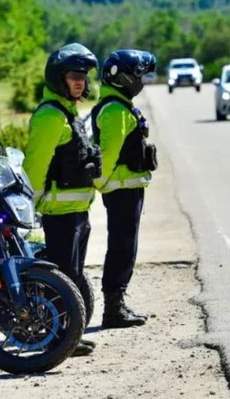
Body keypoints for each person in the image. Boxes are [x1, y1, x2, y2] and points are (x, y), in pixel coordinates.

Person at [23, 43, 101, 355]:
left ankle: (71, 333)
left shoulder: (69, 113)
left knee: (74, 274)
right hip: (59, 212)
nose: (80, 81)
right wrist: (29, 205)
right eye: (73, 76)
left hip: (78, 212)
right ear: (59, 78)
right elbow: (36, 165)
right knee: (62, 279)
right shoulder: (50, 117)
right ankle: (60, 340)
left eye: (83, 76)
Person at [91, 49, 157, 329]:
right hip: (120, 190)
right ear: (122, 78)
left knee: (125, 246)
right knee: (122, 247)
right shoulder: (116, 110)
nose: (139, 80)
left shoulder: (120, 105)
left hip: (126, 188)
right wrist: (102, 185)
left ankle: (117, 305)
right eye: (136, 74)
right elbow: (108, 155)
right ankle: (113, 310)